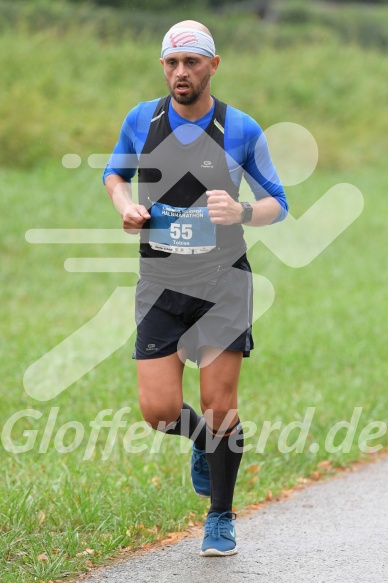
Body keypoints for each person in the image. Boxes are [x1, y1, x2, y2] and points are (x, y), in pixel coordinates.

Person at [103, 20, 288, 557]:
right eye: (171, 63)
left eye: (191, 62)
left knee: (219, 405)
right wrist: (127, 207)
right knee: (160, 411)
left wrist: (245, 210)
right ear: (163, 66)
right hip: (159, 282)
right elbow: (115, 174)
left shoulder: (241, 129)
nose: (180, 72)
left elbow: (279, 201)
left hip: (223, 282)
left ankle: (220, 517)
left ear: (213, 64)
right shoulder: (143, 120)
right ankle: (209, 445)